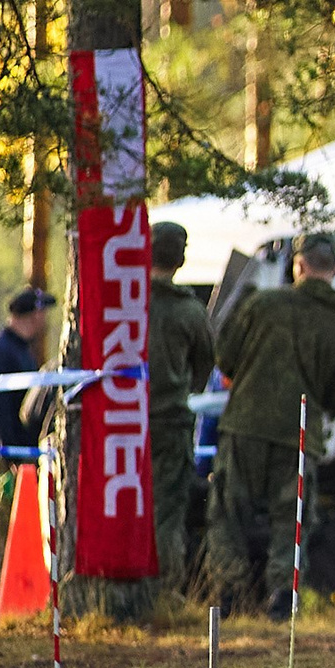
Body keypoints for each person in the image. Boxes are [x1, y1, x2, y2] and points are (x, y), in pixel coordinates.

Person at [208, 234, 335, 618]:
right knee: (292, 518)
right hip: (299, 435)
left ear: (299, 267)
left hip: (245, 424)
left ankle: (229, 593)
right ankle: (283, 597)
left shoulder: (262, 304)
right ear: (332, 271)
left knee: (229, 512)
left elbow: (225, 357)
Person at [0, 287, 57, 610]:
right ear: (33, 314)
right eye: (41, 313)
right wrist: (6, 455)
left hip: (18, 455)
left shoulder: (20, 350)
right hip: (1, 457)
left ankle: (12, 593)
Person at [148, 222, 218, 590]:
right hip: (171, 421)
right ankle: (163, 590)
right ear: (181, 258)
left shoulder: (123, 302)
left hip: (119, 422)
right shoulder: (189, 310)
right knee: (167, 510)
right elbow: (206, 362)